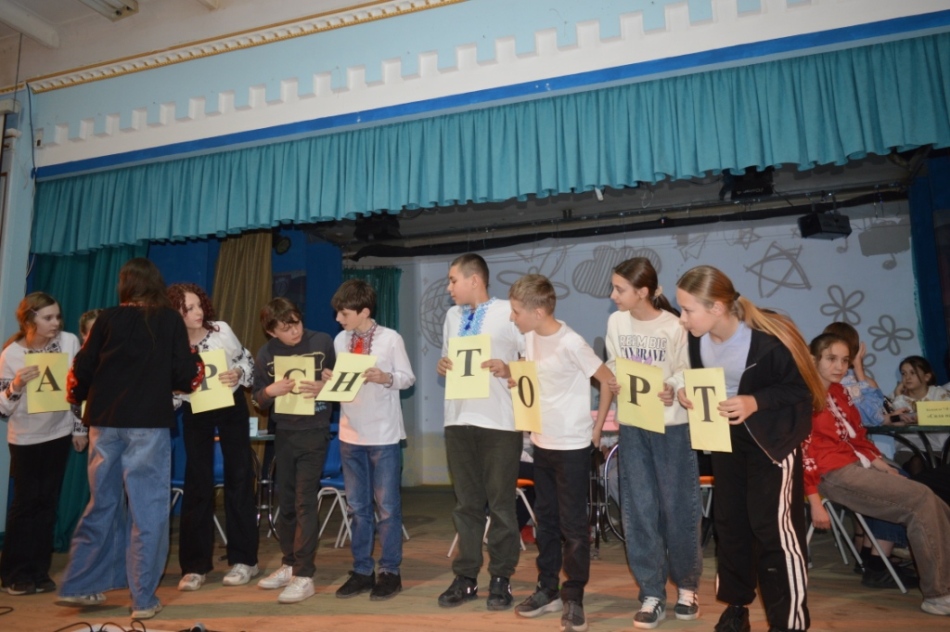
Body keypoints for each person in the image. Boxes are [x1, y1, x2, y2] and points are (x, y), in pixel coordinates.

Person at [675, 265, 824, 632]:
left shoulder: (768, 342)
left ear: (716, 307)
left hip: (771, 444)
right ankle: (737, 606)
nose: (682, 319)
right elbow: (710, 383)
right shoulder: (696, 339)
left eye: (688, 310)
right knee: (731, 526)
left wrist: (754, 401)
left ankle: (789, 623)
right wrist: (685, 392)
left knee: (775, 532)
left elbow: (803, 390)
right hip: (725, 441)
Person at [58, 258, 204, 620]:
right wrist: (190, 370)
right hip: (147, 423)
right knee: (148, 509)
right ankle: (142, 599)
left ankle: (80, 583)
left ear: (124, 285)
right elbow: (185, 375)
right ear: (156, 283)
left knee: (102, 503)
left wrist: (83, 397)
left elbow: (80, 370)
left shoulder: (106, 319)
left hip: (103, 422)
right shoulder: (168, 319)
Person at [803, 333, 950, 617]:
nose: (839, 366)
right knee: (920, 499)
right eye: (831, 359)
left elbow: (857, 436)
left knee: (932, 498)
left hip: (857, 464)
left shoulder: (839, 391)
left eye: (845, 360)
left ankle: (942, 583)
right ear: (813, 359)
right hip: (833, 473)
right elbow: (802, 451)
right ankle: (938, 594)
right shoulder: (802, 396)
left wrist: (882, 464)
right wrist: (814, 499)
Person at [508, 274, 613, 632]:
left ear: (538, 312)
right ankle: (547, 589)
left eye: (517, 311)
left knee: (573, 527)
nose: (512, 317)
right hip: (542, 444)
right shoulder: (529, 337)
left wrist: (596, 430)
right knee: (546, 522)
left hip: (572, 447)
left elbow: (607, 380)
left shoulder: (571, 342)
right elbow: (534, 381)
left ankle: (574, 596)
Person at [604, 258, 701, 629]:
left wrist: (672, 387)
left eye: (619, 289)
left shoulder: (675, 326)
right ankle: (651, 592)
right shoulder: (616, 323)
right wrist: (614, 377)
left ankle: (687, 587)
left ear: (642, 291)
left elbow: (686, 370)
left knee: (679, 508)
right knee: (639, 510)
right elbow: (614, 361)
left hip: (672, 428)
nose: (613, 296)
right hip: (633, 425)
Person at [435, 253, 524, 611]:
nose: (449, 287)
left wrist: (509, 368)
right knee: (466, 505)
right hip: (457, 420)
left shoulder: (508, 311)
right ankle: (466, 577)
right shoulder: (451, 317)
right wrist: (443, 365)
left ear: (475, 280)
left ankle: (501, 577)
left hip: (500, 422)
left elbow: (532, 360)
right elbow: (448, 360)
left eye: (453, 280)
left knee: (501, 504)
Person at [321, 279, 416, 601]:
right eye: (337, 313)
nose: (338, 319)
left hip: (383, 434)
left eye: (344, 313)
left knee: (387, 508)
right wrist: (330, 379)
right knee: (357, 508)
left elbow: (408, 378)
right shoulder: (340, 340)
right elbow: (343, 383)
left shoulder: (390, 339)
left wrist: (386, 377)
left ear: (364, 311)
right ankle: (362, 570)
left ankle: (390, 571)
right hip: (350, 433)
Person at [166, 283, 259, 591]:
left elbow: (247, 361)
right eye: (188, 308)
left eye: (198, 305)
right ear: (175, 313)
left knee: (239, 478)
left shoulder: (221, 330)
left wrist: (238, 374)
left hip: (231, 406)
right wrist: (175, 391)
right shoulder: (172, 344)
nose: (197, 312)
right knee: (197, 484)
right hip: (196, 411)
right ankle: (194, 567)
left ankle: (244, 560)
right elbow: (170, 394)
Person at [0, 293, 88, 596]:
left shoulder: (69, 342)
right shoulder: (11, 354)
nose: (56, 323)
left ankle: (39, 571)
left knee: (47, 504)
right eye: (48, 318)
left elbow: (78, 388)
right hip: (26, 438)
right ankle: (14, 573)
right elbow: (3, 409)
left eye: (57, 317)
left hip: (58, 434)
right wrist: (16, 385)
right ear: (29, 321)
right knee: (26, 504)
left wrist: (79, 429)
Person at [251, 297, 335, 604]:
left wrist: (326, 386)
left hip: (315, 431)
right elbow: (257, 399)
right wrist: (270, 391)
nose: (295, 331)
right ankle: (289, 563)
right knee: (285, 503)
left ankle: (304, 574)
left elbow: (343, 384)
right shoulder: (266, 353)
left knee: (304, 502)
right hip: (284, 433)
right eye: (286, 329)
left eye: (296, 323)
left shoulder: (322, 341)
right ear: (272, 331)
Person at [890, 355, 950, 475]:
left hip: (940, 451)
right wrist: (898, 396)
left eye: (913, 373)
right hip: (908, 451)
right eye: (904, 373)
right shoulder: (895, 398)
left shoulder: (940, 394)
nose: (907, 378)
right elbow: (894, 420)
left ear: (927, 377)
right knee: (918, 462)